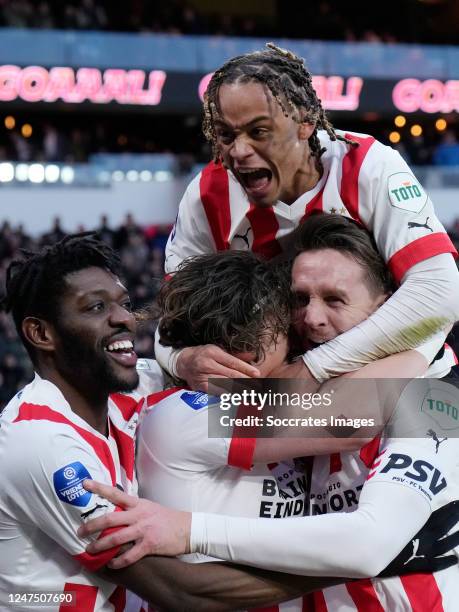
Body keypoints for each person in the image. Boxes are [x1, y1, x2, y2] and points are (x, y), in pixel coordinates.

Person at [2, 233, 436, 612]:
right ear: (42, 334)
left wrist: (183, 356)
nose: (125, 319)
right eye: (96, 307)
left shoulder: (140, 387)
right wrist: (364, 561)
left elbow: (175, 365)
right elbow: (181, 591)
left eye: (124, 303)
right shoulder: (44, 442)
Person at [156, 43, 459, 390]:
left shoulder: (367, 167)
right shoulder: (206, 197)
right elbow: (170, 317)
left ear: (306, 123)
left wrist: (312, 367)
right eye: (226, 135)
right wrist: (183, 359)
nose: (238, 151)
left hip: (404, 381)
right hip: (280, 400)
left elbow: (442, 291)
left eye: (258, 132)